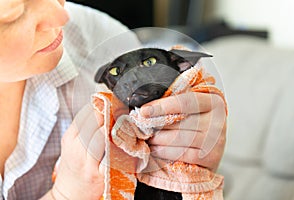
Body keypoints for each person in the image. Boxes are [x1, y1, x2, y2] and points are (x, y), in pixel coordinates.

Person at [0, 0, 227, 199]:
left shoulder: (97, 37)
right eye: (13, 16)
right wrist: (65, 196)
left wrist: (194, 169)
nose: (63, 16)